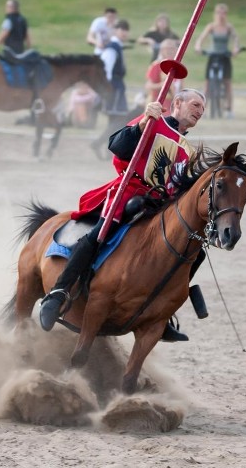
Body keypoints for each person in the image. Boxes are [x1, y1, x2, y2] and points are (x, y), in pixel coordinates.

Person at [40, 89, 208, 340]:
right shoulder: (153, 122)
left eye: (202, 110)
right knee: (101, 233)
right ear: (177, 103)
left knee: (193, 249)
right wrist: (141, 125)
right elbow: (117, 147)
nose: (199, 111)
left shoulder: (189, 150)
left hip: (160, 205)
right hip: (129, 193)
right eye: (195, 104)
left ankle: (163, 313)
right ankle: (59, 291)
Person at [90, 19, 131, 159]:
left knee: (114, 119)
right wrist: (106, 90)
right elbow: (105, 68)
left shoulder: (116, 46)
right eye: (121, 29)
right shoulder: (112, 47)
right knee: (120, 118)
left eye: (126, 29)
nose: (124, 32)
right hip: (113, 87)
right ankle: (98, 143)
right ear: (115, 30)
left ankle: (109, 151)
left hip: (116, 86)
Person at [194, 3, 240, 118]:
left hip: (225, 56)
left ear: (226, 14)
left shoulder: (229, 27)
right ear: (215, 14)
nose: (221, 15)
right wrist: (198, 47)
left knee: (227, 83)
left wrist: (235, 49)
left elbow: (235, 39)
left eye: (223, 13)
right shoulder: (211, 26)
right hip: (213, 55)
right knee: (207, 84)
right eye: (219, 12)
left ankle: (229, 109)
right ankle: (203, 108)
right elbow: (201, 38)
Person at [144, 38, 183, 106]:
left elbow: (180, 87)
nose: (169, 51)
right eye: (167, 48)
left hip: (173, 105)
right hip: (158, 104)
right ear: (162, 50)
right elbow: (148, 86)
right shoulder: (157, 65)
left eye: (172, 48)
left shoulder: (178, 66)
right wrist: (162, 85)